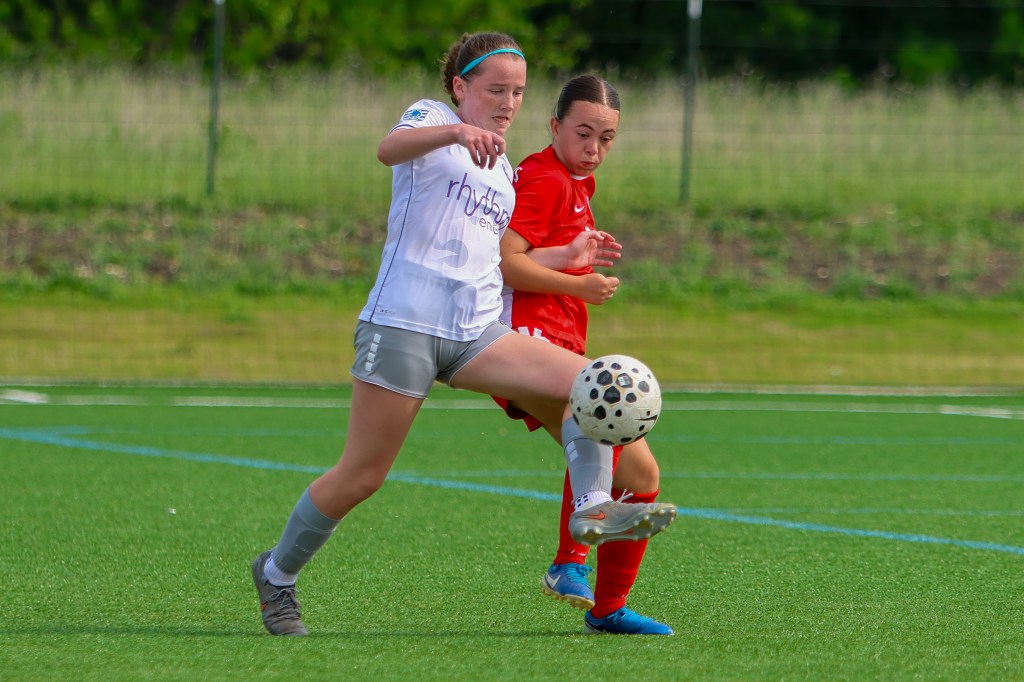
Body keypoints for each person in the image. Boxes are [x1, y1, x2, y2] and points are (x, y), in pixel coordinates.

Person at [250, 32, 677, 637]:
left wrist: (565, 256)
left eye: (518, 92)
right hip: (403, 324)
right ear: (460, 87)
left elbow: (492, 260)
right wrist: (454, 131)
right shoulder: (433, 119)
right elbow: (386, 148)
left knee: (588, 381)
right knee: (363, 475)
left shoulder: (503, 167)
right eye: (495, 89)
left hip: (477, 334)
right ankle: (278, 573)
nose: (508, 102)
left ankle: (591, 511)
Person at [494, 75, 674, 635]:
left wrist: (577, 259)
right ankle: (570, 565)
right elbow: (505, 262)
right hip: (526, 345)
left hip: (558, 344)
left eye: (607, 138)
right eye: (583, 133)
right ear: (554, 127)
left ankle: (604, 605)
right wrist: (581, 284)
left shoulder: (574, 182)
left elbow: (543, 255)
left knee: (640, 472)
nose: (594, 149)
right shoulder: (546, 178)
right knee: (598, 427)